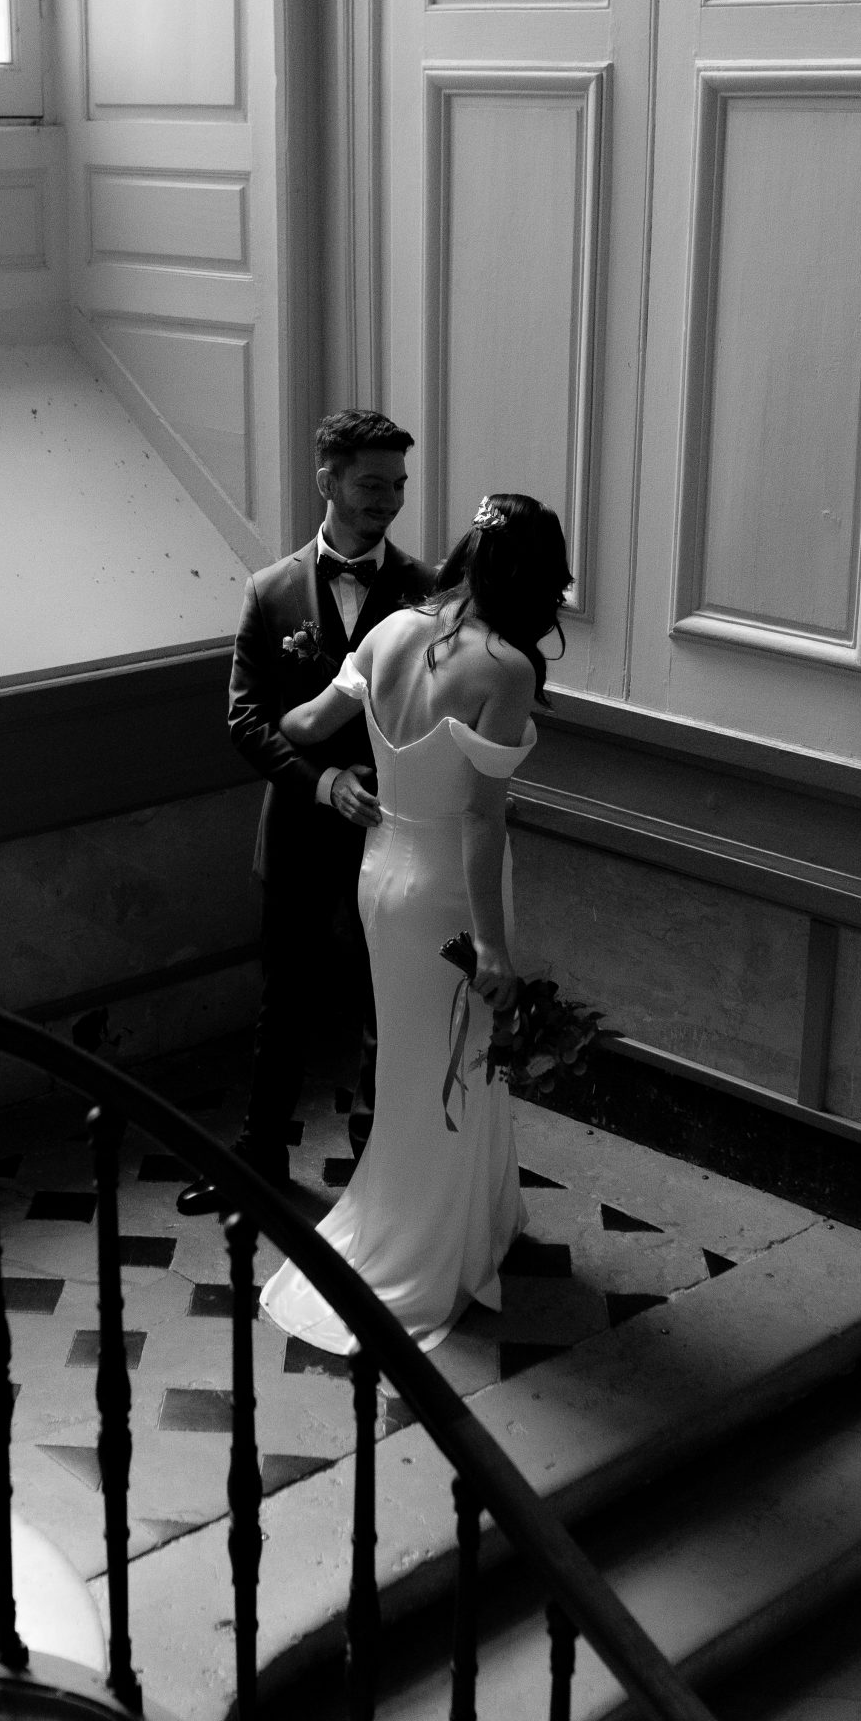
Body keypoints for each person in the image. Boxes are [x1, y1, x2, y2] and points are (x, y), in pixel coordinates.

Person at [259, 493, 573, 1352]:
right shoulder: (504, 668)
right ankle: (430, 1242)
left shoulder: (392, 628)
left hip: (381, 876)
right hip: (447, 894)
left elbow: (299, 724)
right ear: (534, 579)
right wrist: (491, 947)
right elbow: (479, 819)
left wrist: (349, 753)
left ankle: (465, 1217)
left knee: (414, 1058)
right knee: (457, 1055)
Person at [175, 410, 437, 1215]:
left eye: (397, 485)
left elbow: (437, 710)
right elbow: (245, 719)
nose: (387, 500)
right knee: (282, 1002)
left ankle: (379, 1175)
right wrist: (323, 784)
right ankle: (256, 1160)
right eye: (371, 484)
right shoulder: (270, 590)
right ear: (326, 479)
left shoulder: (425, 590)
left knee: (384, 1004)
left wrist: (389, 780)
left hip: (392, 834)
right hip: (297, 828)